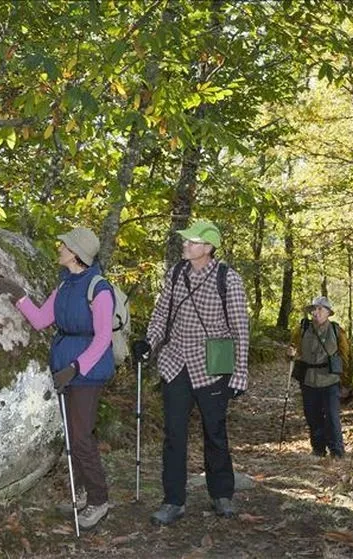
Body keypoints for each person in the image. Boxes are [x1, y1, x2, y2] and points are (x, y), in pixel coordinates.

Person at [0, 226, 114, 531]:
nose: (59, 247)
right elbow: (40, 320)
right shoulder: (65, 285)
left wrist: (76, 367)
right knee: (72, 436)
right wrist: (18, 295)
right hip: (64, 367)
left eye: (65, 245)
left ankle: (99, 500)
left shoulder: (99, 289)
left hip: (87, 371)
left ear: (76, 253)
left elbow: (102, 339)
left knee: (81, 436)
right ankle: (83, 492)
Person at [131, 219, 249, 526]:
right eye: (185, 241)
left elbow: (240, 328)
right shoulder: (175, 273)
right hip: (175, 364)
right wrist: (149, 342)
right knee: (174, 435)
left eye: (192, 241)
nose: (185, 244)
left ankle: (221, 494)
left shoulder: (229, 279)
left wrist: (240, 373)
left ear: (208, 248)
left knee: (215, 432)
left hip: (213, 365)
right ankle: (173, 500)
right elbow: (161, 314)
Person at [287, 296, 350, 459]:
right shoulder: (302, 329)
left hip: (330, 380)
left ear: (328, 312)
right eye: (314, 309)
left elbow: (345, 357)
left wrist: (346, 382)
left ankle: (337, 452)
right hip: (308, 380)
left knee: (332, 417)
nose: (315, 312)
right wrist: (290, 353)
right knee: (312, 416)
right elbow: (292, 350)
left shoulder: (337, 331)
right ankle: (318, 449)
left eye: (320, 309)